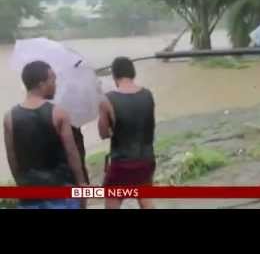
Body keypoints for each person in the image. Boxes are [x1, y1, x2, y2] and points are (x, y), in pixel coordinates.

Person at [3, 61, 87, 209]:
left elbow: (12, 158)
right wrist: (81, 184)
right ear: (42, 84)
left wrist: (21, 184)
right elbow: (72, 153)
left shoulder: (9, 117)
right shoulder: (58, 113)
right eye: (53, 80)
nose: (55, 84)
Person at [98, 57, 156, 209]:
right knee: (145, 198)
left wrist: (102, 111)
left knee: (113, 200)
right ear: (133, 73)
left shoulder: (108, 99)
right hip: (146, 159)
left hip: (122, 163)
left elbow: (104, 133)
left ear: (114, 75)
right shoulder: (147, 95)